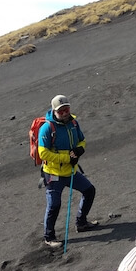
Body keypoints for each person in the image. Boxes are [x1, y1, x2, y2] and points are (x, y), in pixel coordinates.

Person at [38, 94, 98, 248]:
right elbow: (43, 153)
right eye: (61, 111)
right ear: (54, 111)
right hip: (53, 174)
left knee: (89, 190)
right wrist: (67, 157)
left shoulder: (74, 123)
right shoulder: (47, 128)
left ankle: (81, 222)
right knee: (54, 205)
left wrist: (79, 150)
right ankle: (49, 237)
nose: (65, 113)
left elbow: (82, 140)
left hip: (71, 171)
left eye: (67, 109)